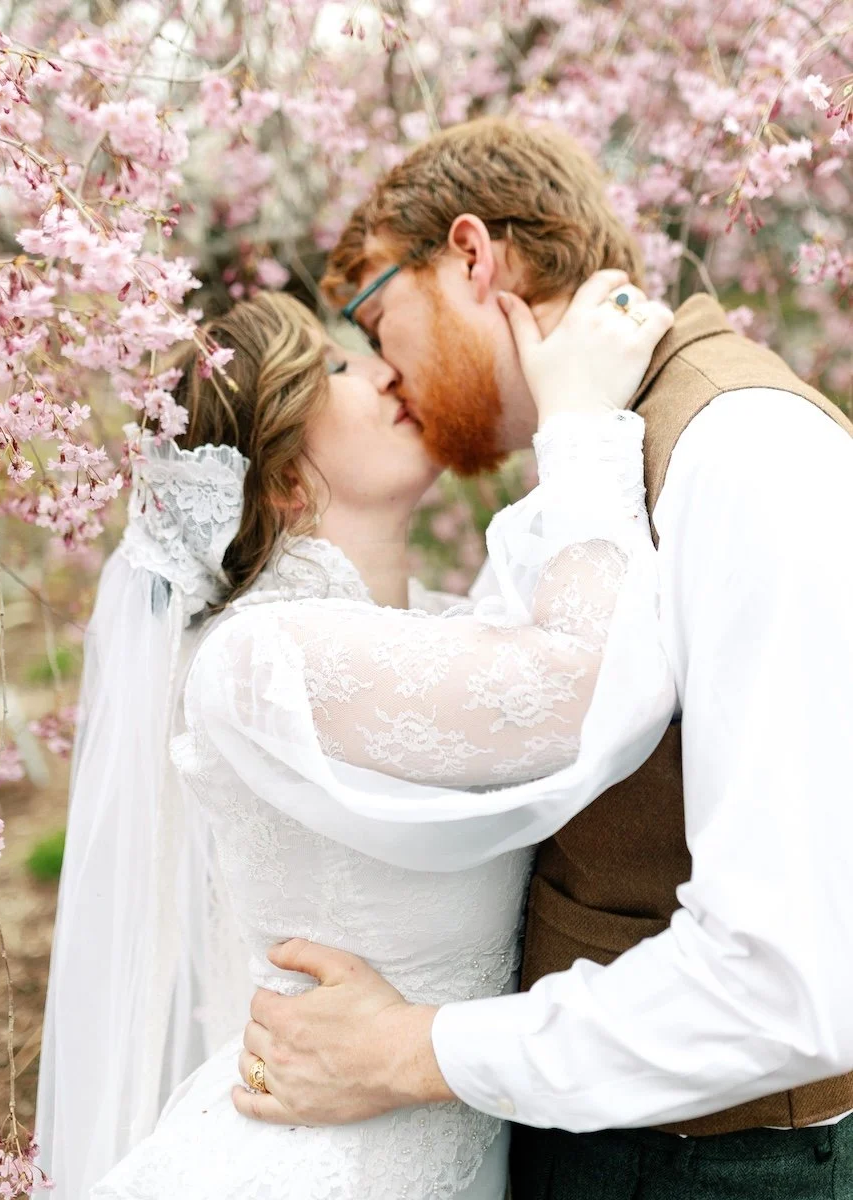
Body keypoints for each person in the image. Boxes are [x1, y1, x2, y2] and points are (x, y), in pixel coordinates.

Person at [229, 117, 853, 1199]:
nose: (387, 374)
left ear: (471, 258)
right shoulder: (601, 459)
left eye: (379, 321)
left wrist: (405, 1052)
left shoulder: (749, 457)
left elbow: (788, 980)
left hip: (711, 1169)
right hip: (586, 1142)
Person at [36, 277, 674, 1200]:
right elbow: (578, 684)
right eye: (334, 365)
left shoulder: (446, 626)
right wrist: (578, 426)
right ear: (287, 478)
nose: (384, 373)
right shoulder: (256, 661)